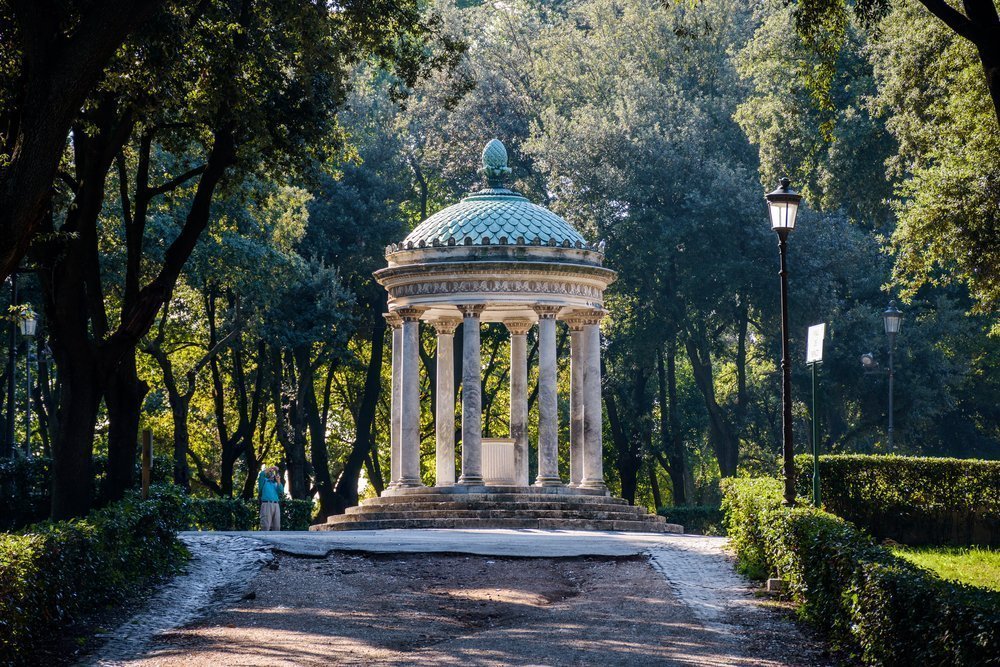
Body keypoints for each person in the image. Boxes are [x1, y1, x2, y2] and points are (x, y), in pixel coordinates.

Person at [257, 466, 284, 531]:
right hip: (266, 504)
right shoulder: (263, 481)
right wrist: (271, 468)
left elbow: (281, 491)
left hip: (276, 505)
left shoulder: (276, 483)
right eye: (270, 472)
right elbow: (261, 474)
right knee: (265, 526)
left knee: (277, 527)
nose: (271, 473)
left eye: (272, 472)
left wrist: (278, 481)